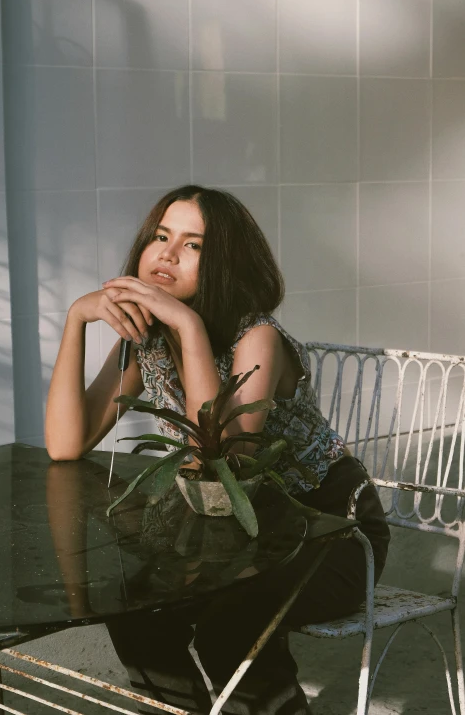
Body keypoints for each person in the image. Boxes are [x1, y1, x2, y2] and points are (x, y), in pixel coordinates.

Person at [45, 185, 390, 714]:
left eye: (193, 245)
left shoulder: (259, 339)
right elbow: (67, 444)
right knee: (134, 609)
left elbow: (222, 463)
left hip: (331, 533)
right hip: (238, 537)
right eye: (161, 236)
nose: (166, 252)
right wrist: (75, 318)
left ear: (225, 263)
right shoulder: (147, 336)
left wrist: (189, 327)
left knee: (231, 622)